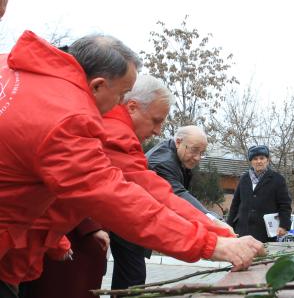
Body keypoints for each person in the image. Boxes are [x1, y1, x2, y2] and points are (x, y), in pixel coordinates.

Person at [0, 31, 264, 296]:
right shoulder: (69, 120)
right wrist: (212, 243)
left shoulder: (11, 70)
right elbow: (122, 200)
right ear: (98, 85)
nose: (121, 105)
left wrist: (53, 236)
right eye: (121, 95)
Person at [103, 75, 233, 290]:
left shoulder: (169, 156)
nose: (158, 130)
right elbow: (169, 197)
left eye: (202, 153)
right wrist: (213, 232)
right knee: (131, 278)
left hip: (109, 229)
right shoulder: (158, 159)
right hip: (122, 228)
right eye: (156, 121)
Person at [146, 125, 230, 224]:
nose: (197, 158)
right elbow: (179, 196)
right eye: (194, 150)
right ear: (178, 142)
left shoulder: (178, 157)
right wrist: (213, 220)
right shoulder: (163, 163)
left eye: (202, 153)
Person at [227, 145, 292, 243]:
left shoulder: (277, 180)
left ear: (267, 160)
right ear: (251, 161)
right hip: (242, 230)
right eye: (255, 159)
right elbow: (235, 204)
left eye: (262, 158)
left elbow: (285, 205)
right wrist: (229, 226)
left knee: (264, 258)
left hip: (265, 233)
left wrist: (284, 225)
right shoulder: (244, 179)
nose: (259, 161)